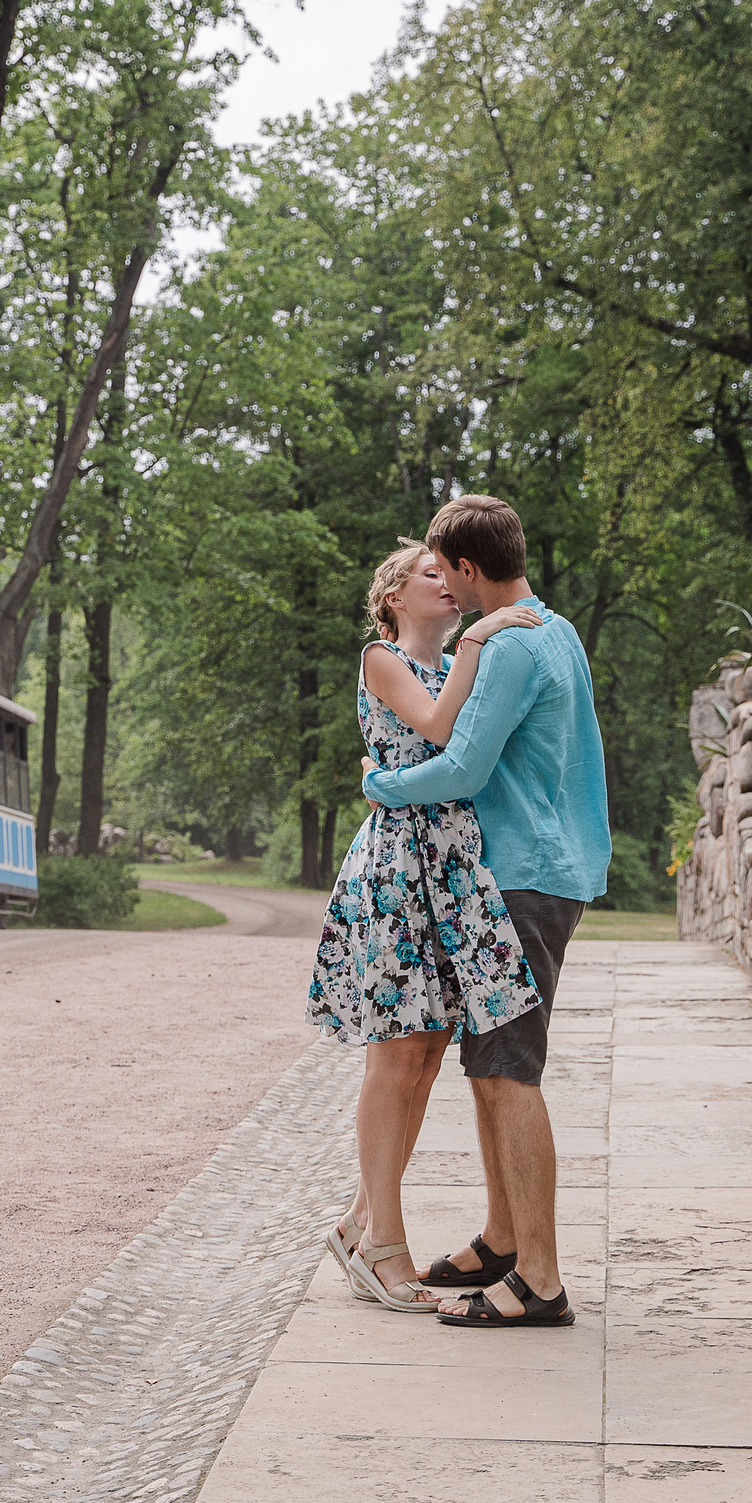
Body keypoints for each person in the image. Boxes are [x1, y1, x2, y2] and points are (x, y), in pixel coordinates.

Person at [361, 494, 610, 1330]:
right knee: (489, 1064)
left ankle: (538, 1279)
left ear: (469, 568)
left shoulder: (506, 644)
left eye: (448, 571)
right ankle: (505, 1239)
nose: (447, 588)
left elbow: (461, 766)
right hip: (552, 867)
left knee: (509, 1071)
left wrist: (380, 784)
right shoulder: (557, 627)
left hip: (525, 876)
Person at [315, 542, 545, 1313]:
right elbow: (444, 732)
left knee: (427, 1052)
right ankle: (385, 1244)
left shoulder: (455, 668)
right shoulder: (382, 659)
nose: (447, 583)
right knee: (394, 1056)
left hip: (450, 872)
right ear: (394, 597)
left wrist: (474, 651)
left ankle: (357, 1220)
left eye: (450, 573)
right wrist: (482, 636)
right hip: (395, 869)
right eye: (429, 573)